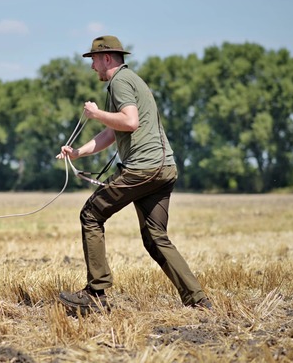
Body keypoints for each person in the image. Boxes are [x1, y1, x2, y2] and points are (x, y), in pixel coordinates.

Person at [56, 35, 211, 314]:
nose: (92, 67)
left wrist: (96, 112)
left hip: (143, 168)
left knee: (91, 215)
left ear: (106, 58)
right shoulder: (131, 80)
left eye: (93, 60)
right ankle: (199, 301)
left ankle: (96, 292)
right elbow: (112, 133)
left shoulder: (120, 82)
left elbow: (129, 121)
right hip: (164, 168)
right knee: (155, 237)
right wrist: (77, 152)